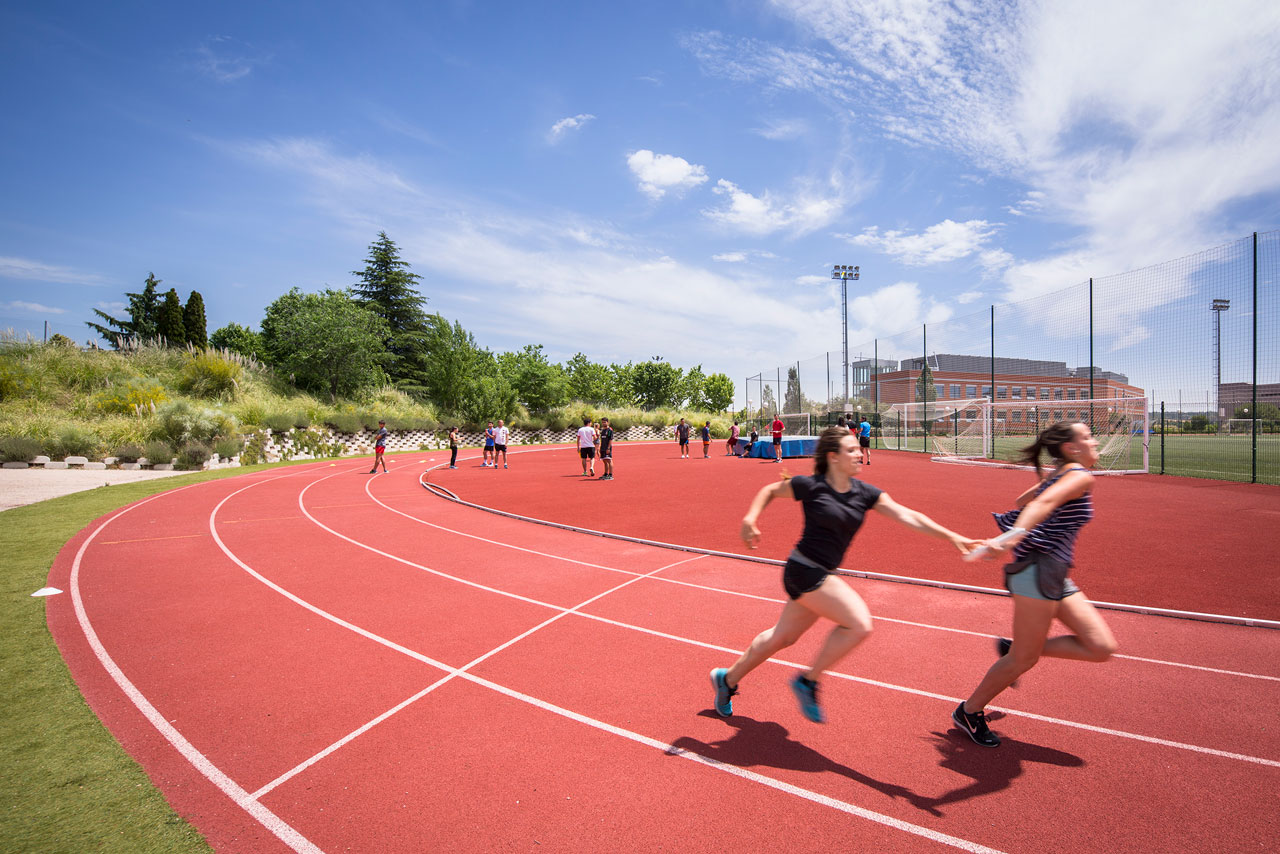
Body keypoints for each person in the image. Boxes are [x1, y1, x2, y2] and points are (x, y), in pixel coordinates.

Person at [710, 427, 977, 723]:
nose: (859, 453)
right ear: (834, 457)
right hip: (804, 570)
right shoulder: (813, 487)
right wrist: (750, 518)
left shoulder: (866, 494)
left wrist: (953, 536)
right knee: (859, 624)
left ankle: (727, 679)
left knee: (781, 638)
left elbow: (908, 515)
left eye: (858, 449)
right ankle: (808, 681)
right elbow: (771, 490)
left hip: (820, 575)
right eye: (851, 450)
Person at [953, 421, 1118, 748]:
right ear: (1071, 448)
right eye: (1087, 437)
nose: (1095, 441)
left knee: (1101, 647)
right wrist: (1010, 537)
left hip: (1054, 573)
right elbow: (1038, 505)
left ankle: (1018, 647)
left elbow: (1024, 499)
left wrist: (1045, 491)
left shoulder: (1063, 475)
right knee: (1023, 660)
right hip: (1035, 572)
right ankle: (970, 711)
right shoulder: (1080, 477)